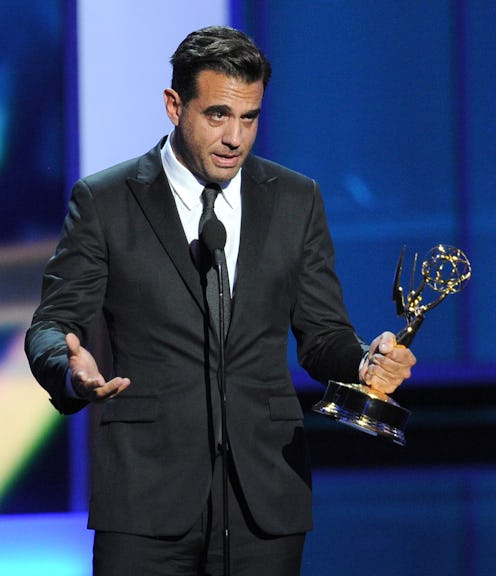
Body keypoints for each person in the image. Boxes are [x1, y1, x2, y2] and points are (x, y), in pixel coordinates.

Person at [25, 26, 416, 576]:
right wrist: (69, 369)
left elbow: (323, 334)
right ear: (174, 105)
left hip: (266, 496)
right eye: (217, 115)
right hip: (145, 498)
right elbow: (52, 324)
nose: (235, 137)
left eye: (249, 118)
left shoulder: (295, 199)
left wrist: (364, 364)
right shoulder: (105, 200)